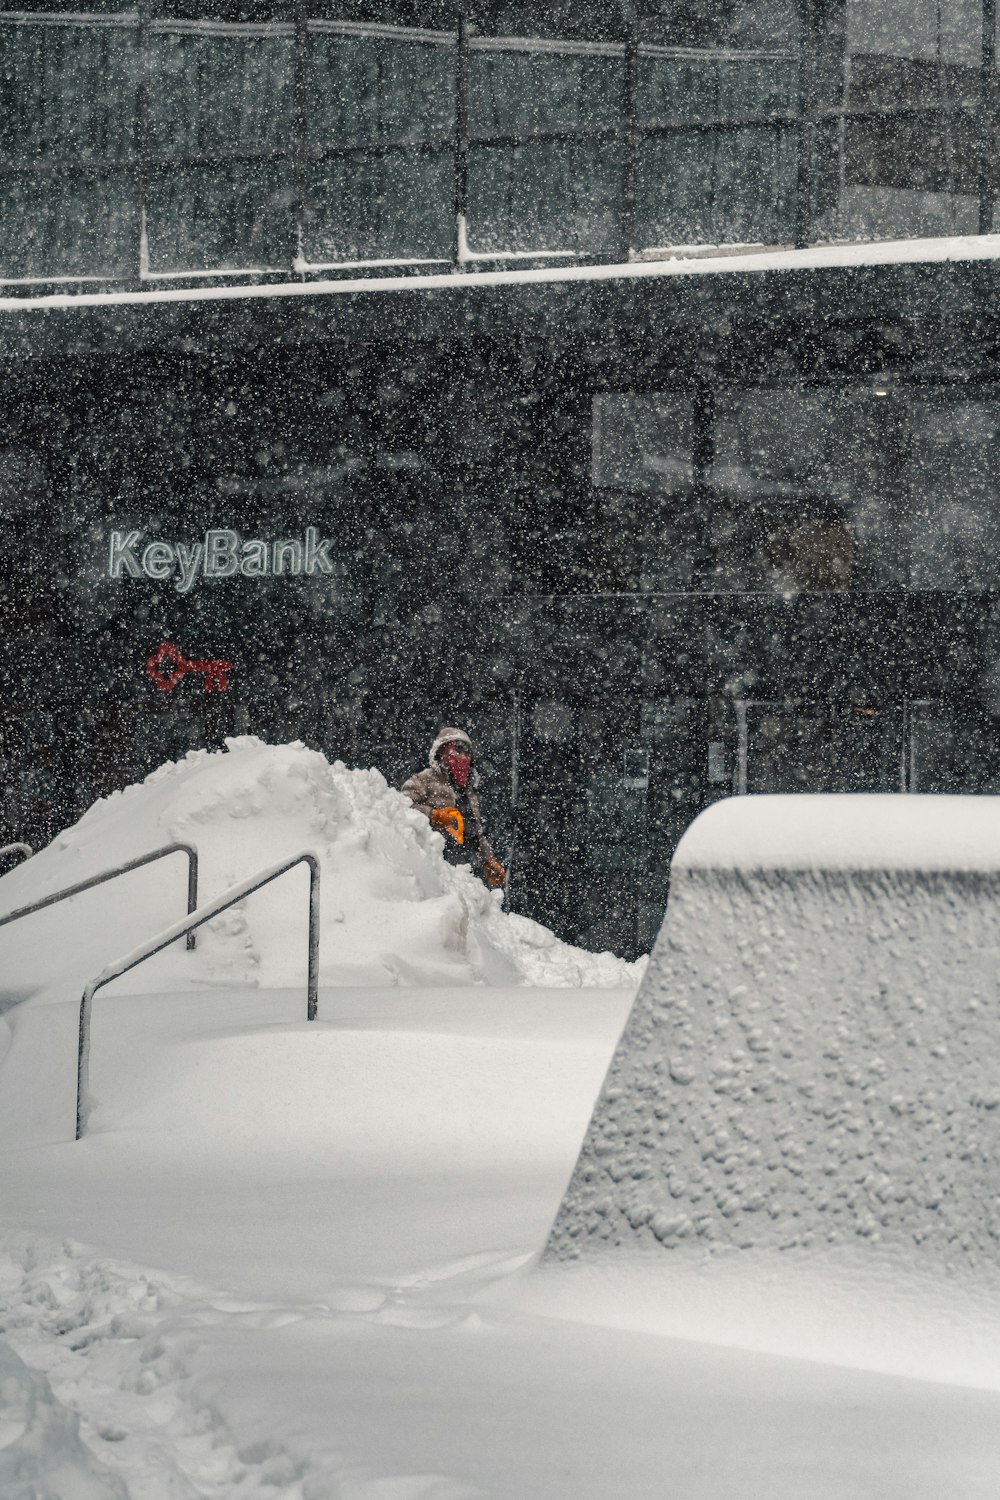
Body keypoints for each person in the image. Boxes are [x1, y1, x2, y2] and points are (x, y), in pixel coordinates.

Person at [402, 726, 506, 890]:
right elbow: (399, 806)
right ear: (441, 752)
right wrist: (432, 815)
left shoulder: (469, 793)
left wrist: (488, 860)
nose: (463, 756)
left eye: (467, 753)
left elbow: (476, 835)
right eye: (457, 749)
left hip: (457, 871)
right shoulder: (424, 779)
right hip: (427, 866)